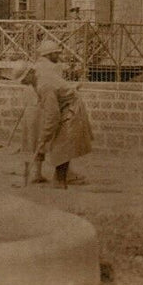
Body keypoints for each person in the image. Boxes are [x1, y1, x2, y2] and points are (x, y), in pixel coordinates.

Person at [22, 43, 93, 188]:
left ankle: (61, 181)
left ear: (30, 73)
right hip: (57, 105)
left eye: (24, 79)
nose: (23, 83)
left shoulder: (43, 83)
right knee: (58, 144)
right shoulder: (40, 75)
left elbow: (53, 116)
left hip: (71, 107)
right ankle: (58, 178)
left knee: (62, 144)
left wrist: (45, 135)